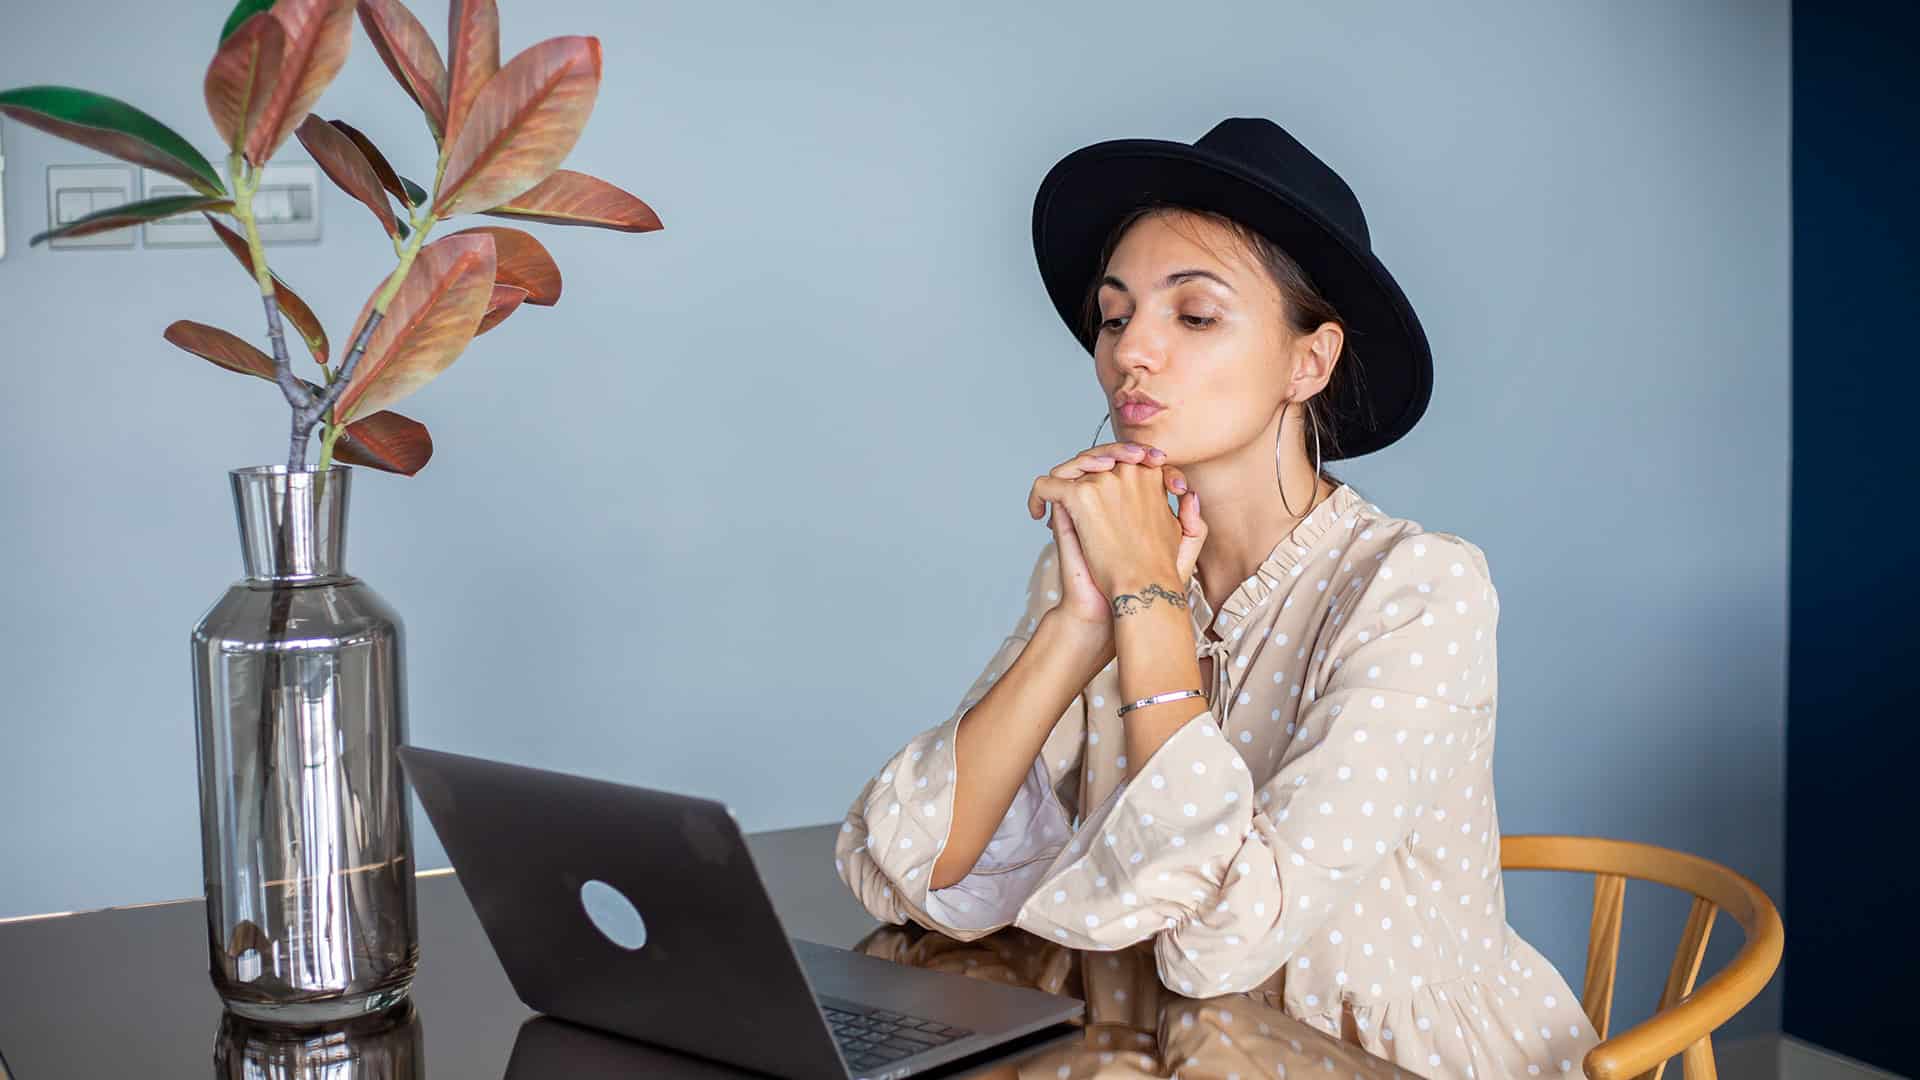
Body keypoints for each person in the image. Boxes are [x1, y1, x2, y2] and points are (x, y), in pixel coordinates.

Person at [834, 117, 1600, 1079]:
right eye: (1114, 317)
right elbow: (913, 869)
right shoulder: (1107, 564)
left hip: (1373, 1061)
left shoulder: (1417, 591)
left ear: (1308, 362)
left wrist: (1150, 605)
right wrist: (1079, 623)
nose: (1131, 352)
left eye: (1194, 316)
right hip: (1147, 1049)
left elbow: (1222, 943)